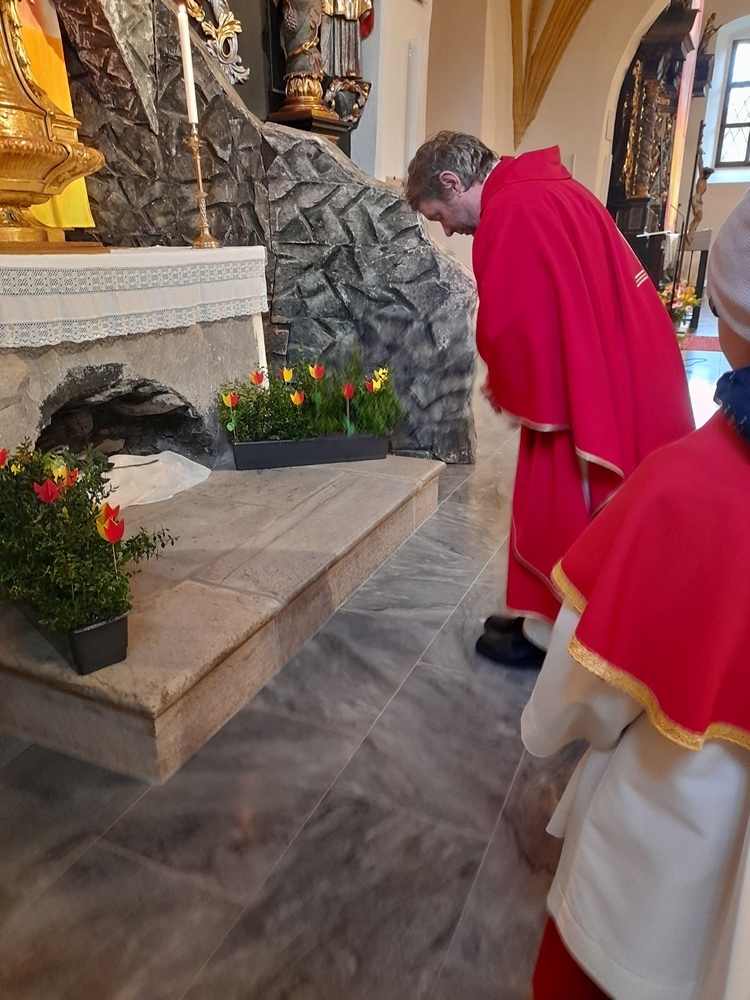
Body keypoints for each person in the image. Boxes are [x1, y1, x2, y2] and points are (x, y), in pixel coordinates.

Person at [522, 188, 750, 999]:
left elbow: (578, 696)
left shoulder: (686, 489)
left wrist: (552, 725)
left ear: (727, 317)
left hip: (667, 855)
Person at [405, 133, 694, 668]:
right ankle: (542, 614)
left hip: (595, 380)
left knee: (560, 497)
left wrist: (508, 382)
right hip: (620, 360)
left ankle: (552, 633)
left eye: (439, 214)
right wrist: (512, 379)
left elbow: (514, 324)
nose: (447, 229)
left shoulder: (513, 210)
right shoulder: (536, 189)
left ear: (452, 182)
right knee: (552, 493)